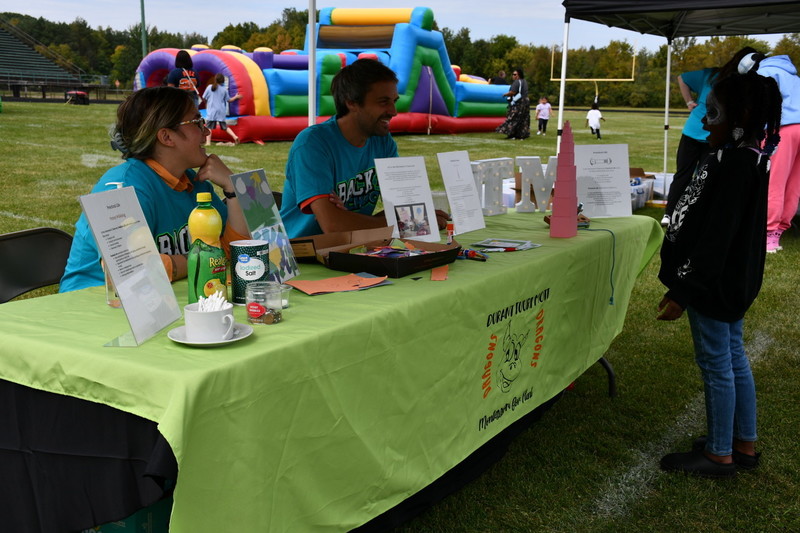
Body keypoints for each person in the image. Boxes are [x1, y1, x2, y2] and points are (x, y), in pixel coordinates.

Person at [657, 71, 782, 478]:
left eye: (713, 114)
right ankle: (743, 443)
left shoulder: (736, 165)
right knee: (732, 356)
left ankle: (719, 454)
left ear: (740, 117)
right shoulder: (745, 157)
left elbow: (716, 236)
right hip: (729, 281)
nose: (706, 123)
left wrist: (684, 290)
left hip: (713, 285)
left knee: (716, 363)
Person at [60, 86, 249, 292]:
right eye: (197, 122)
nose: (207, 131)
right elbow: (128, 271)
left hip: (165, 296)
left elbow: (234, 250)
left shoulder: (194, 181)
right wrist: (204, 259)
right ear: (166, 137)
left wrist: (233, 187)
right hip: (94, 302)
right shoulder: (121, 188)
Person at [279, 58, 450, 239]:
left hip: (353, 245)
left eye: (394, 101)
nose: (393, 111)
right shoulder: (313, 143)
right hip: (300, 252)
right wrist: (413, 222)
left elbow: (403, 207)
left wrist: (412, 219)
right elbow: (333, 226)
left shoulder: (383, 141)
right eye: (383, 102)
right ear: (351, 102)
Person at [662, 47, 760, 226]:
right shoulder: (736, 81)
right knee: (703, 177)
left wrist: (690, 102)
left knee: (686, 174)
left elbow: (682, 78)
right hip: (712, 133)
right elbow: (682, 78)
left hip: (700, 132)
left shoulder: (712, 74)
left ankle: (672, 214)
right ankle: (685, 215)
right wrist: (689, 102)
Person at [753, 54, 800, 253]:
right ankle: (776, 233)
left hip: (781, 130)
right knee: (793, 185)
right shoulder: (795, 78)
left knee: (774, 181)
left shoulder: (765, 72)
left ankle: (769, 233)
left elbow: (759, 105)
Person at [202, 73, 242, 146]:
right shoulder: (224, 90)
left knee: (208, 127)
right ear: (223, 81)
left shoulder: (210, 87)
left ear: (215, 79)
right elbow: (229, 100)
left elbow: (204, 97)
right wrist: (236, 97)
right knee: (224, 127)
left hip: (212, 110)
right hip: (221, 110)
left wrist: (207, 103)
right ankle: (235, 136)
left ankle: (208, 142)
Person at [496, 68, 530, 141]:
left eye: (514, 74)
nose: (513, 76)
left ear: (518, 75)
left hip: (518, 102)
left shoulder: (516, 82)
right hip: (526, 101)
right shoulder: (524, 81)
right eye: (513, 74)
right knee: (523, 118)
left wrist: (505, 94)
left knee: (513, 117)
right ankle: (521, 134)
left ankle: (511, 134)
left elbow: (513, 92)